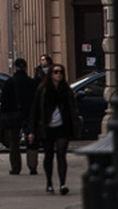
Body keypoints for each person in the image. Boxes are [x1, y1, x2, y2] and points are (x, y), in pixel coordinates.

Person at [29, 62, 81, 195]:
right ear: (50, 74)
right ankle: (49, 183)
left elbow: (72, 110)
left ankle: (63, 183)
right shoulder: (43, 89)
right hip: (47, 127)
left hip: (62, 126)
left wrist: (75, 126)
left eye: (61, 72)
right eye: (56, 72)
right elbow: (35, 110)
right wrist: (32, 131)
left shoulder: (66, 90)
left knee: (61, 154)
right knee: (48, 155)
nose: (59, 74)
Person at [0, 57, 38, 175]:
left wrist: (5, 115)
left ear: (15, 68)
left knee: (14, 142)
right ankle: (32, 165)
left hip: (13, 115)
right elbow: (36, 100)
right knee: (31, 139)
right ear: (26, 68)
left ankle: (16, 167)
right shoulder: (32, 83)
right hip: (29, 114)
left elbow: (4, 101)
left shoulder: (9, 83)